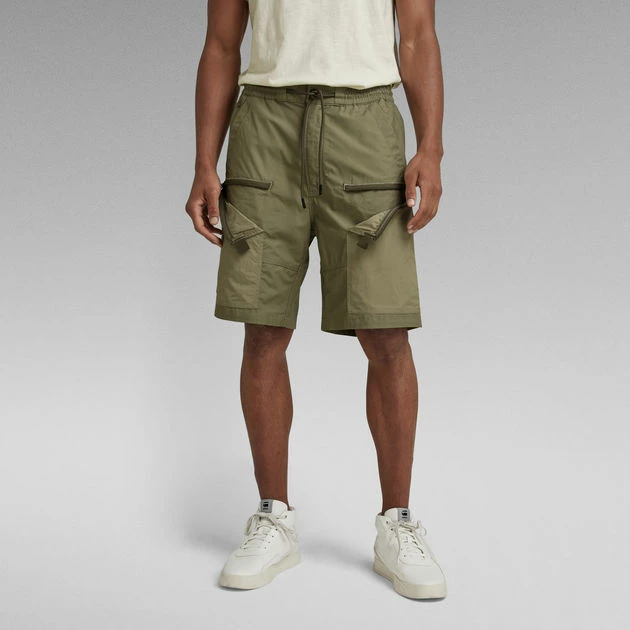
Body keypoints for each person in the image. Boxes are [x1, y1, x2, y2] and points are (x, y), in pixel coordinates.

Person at [185, 0, 446, 599]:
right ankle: (273, 517)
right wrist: (204, 160)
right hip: (265, 123)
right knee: (263, 327)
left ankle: (398, 523)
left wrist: (430, 148)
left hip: (365, 120)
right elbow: (221, 44)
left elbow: (417, 36)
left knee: (386, 331)